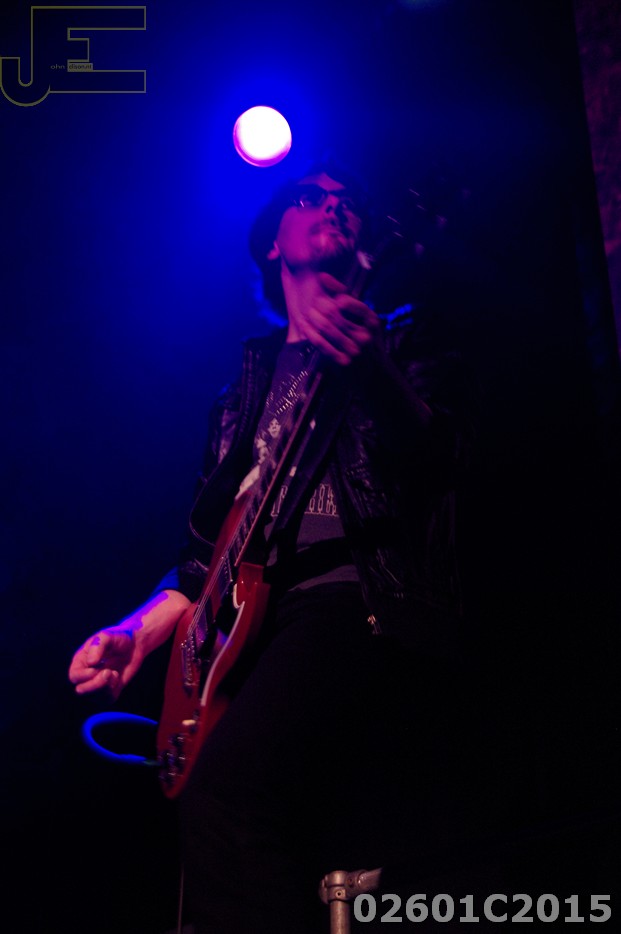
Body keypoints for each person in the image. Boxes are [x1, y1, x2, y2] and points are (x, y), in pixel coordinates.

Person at [69, 161, 473, 934]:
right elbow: (201, 559)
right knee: (259, 851)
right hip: (253, 635)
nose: (333, 206)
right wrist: (138, 633)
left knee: (224, 798)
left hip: (354, 601)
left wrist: (375, 371)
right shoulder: (239, 395)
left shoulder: (403, 335)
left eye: (347, 201)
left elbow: (441, 463)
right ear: (271, 245)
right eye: (309, 197)